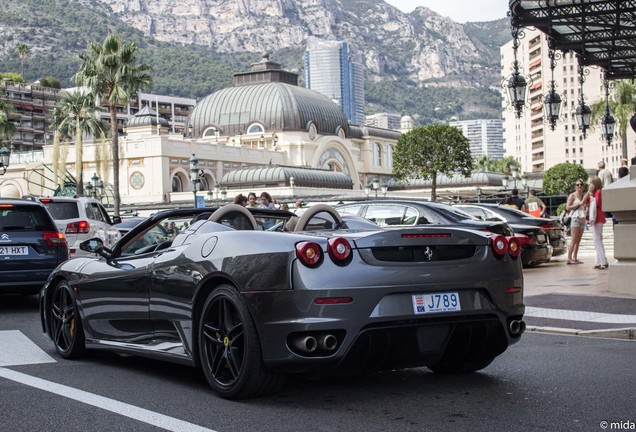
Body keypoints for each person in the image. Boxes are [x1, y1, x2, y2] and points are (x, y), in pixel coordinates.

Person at [584, 176, 608, 269]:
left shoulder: (598, 192)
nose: (589, 185)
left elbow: (597, 202)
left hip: (597, 217)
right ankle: (599, 261)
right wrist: (589, 193)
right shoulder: (595, 192)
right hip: (596, 217)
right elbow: (585, 201)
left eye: (591, 183)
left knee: (597, 240)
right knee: (597, 240)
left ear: (595, 184)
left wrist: (591, 194)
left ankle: (602, 261)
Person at [565, 179, 587, 265]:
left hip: (582, 217)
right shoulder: (572, 195)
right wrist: (578, 204)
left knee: (578, 240)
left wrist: (586, 208)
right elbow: (568, 207)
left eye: (581, 184)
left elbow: (585, 206)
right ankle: (569, 258)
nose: (579, 186)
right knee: (574, 239)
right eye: (577, 184)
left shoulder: (584, 195)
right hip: (575, 218)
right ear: (575, 186)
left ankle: (575, 257)